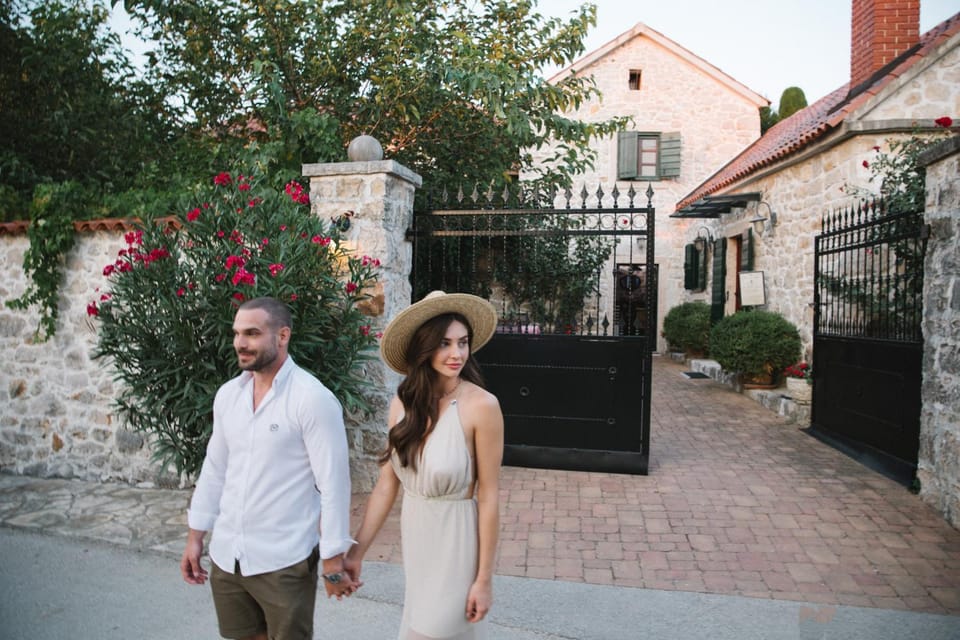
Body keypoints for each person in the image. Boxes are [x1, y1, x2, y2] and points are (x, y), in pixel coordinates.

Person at [179, 296, 358, 640]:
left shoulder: (311, 399)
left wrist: (333, 562)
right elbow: (215, 469)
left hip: (284, 560)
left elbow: (334, 484)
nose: (240, 343)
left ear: (283, 335)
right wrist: (195, 536)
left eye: (252, 333)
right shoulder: (228, 395)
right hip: (228, 555)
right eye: (236, 334)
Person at [345, 291, 504, 639]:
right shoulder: (403, 404)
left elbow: (490, 497)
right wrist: (355, 553)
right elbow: (387, 486)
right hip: (418, 547)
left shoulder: (482, 406)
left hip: (457, 548)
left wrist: (483, 580)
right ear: (424, 347)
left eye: (463, 343)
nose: (456, 354)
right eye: (444, 343)